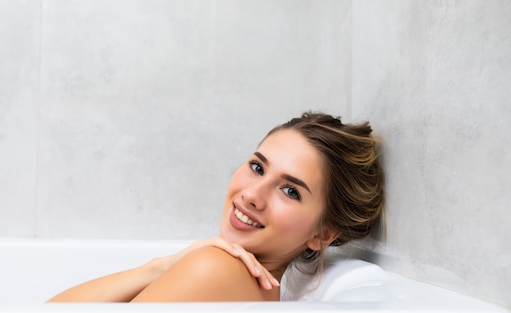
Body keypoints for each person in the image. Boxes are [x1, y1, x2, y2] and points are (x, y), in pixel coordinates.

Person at [48, 111, 384, 302]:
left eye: (289, 191)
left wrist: (161, 268)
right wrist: (162, 266)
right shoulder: (258, 292)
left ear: (322, 234)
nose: (253, 194)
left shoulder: (218, 267)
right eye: (257, 167)